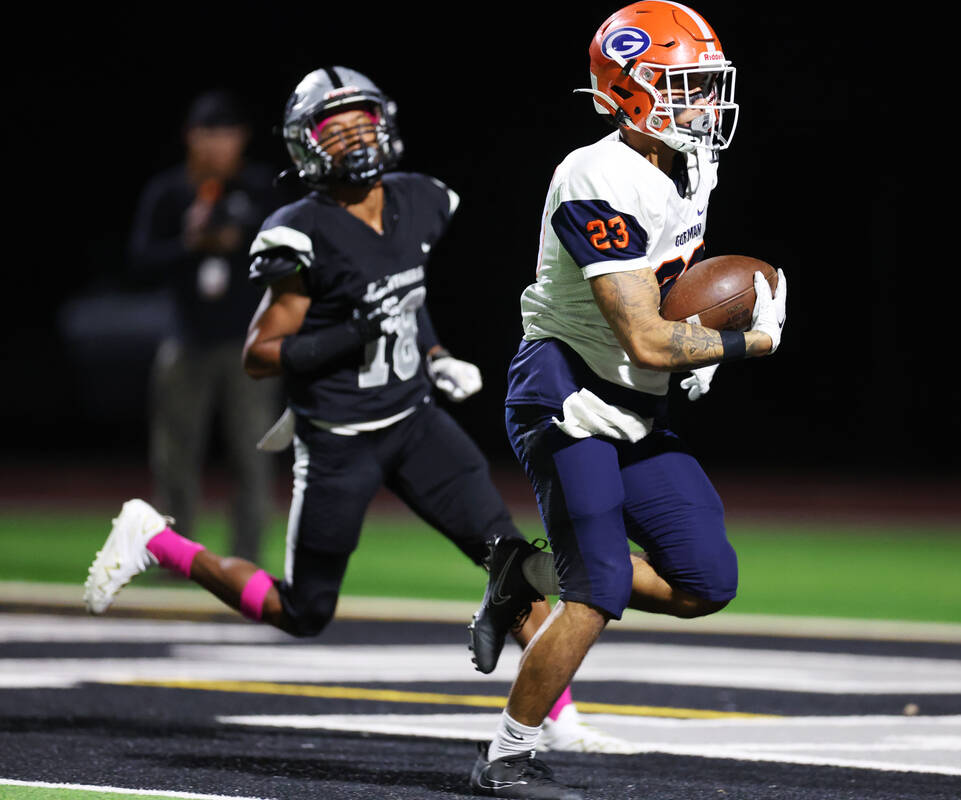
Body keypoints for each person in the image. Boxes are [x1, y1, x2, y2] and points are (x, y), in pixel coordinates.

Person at [84, 66, 615, 752]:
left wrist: (433, 356)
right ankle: (155, 539)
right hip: (339, 439)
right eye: (338, 127)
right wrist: (348, 335)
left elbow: (404, 296)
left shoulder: (418, 200)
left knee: (507, 556)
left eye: (365, 119)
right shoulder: (300, 230)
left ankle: (556, 716)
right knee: (304, 611)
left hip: (415, 421)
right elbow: (260, 353)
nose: (357, 136)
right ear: (307, 145)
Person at [465, 3, 787, 797]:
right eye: (684, 88)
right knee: (600, 587)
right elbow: (645, 335)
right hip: (567, 393)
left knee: (706, 582)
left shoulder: (689, 165)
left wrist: (699, 346)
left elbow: (672, 288)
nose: (703, 105)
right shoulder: (594, 175)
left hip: (638, 401)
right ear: (627, 90)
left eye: (708, 86)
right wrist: (745, 341)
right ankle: (505, 756)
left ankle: (522, 573)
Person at [128, 90, 283, 563]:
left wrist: (240, 240)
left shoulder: (261, 188)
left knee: (253, 459)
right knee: (173, 459)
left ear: (242, 139)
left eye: (226, 134)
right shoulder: (169, 192)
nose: (216, 145)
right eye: (206, 133)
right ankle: (173, 563)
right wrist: (188, 241)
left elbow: (289, 256)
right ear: (189, 137)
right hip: (184, 340)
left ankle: (246, 565)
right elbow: (140, 262)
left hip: (248, 345)